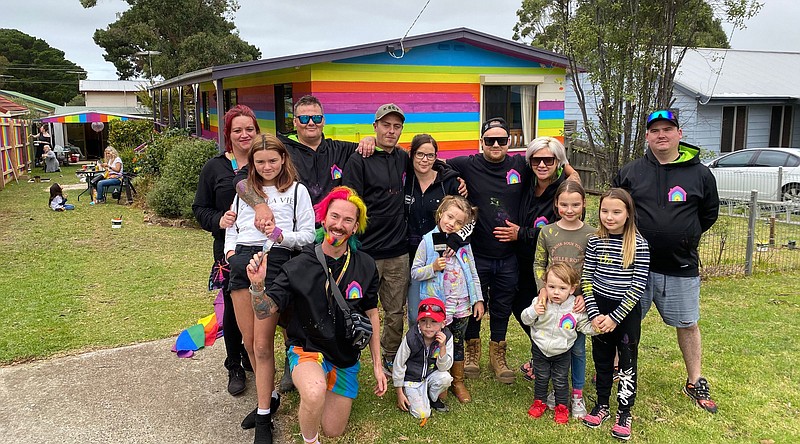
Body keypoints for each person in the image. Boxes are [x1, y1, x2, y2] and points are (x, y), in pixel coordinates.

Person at [234, 95, 375, 391]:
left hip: (331, 234)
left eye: (317, 118)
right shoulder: (285, 149)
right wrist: (259, 205)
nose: (311, 123)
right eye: (304, 118)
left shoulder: (339, 148)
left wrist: (369, 139)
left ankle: (328, 356)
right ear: (295, 122)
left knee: (322, 300)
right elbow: (243, 180)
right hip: (292, 244)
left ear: (324, 120)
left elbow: (378, 150)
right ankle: (294, 361)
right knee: (292, 303)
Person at [244, 186, 387, 444]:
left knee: (334, 428)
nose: (339, 225)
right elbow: (264, 311)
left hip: (345, 355)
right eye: (334, 216)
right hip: (307, 348)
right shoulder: (298, 264)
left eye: (347, 220)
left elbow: (372, 312)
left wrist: (377, 364)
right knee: (313, 391)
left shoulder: (365, 264)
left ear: (355, 227)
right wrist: (257, 286)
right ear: (323, 218)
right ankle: (311, 438)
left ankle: (325, 383)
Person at [447, 119, 579, 384]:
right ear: (481, 142)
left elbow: (551, 158)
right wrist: (457, 181)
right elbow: (439, 164)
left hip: (510, 256)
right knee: (475, 302)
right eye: (490, 140)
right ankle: (472, 350)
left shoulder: (522, 165)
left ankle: (498, 353)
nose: (496, 145)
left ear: (510, 143)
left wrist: (570, 172)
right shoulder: (468, 164)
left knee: (503, 305)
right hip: (478, 252)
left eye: (502, 140)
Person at [613, 109, 720, 414]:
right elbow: (616, 209)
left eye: (667, 129)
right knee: (625, 320)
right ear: (647, 136)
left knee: (687, 324)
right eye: (655, 130)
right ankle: (618, 369)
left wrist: (684, 235)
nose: (661, 135)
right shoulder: (631, 172)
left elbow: (708, 214)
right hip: (635, 265)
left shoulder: (700, 173)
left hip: (680, 265)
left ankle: (695, 379)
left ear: (679, 134)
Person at [224, 133, 315, 443]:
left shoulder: (297, 191)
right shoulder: (246, 191)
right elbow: (233, 229)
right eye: (260, 161)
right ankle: (270, 397)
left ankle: (264, 416)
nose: (266, 167)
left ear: (283, 159)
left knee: (263, 345)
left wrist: (278, 235)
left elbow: (307, 236)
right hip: (241, 262)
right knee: (248, 342)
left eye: (272, 160)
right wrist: (231, 253)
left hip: (274, 262)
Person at [192, 104, 258, 398]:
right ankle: (234, 364)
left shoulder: (265, 163)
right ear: (228, 134)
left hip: (262, 249)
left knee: (261, 305)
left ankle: (253, 353)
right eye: (237, 130)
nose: (244, 135)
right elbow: (199, 208)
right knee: (233, 308)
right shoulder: (215, 167)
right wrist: (218, 220)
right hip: (229, 251)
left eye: (249, 129)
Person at [342, 103, 410, 374]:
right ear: (375, 127)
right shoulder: (359, 159)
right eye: (385, 125)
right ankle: (349, 355)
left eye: (396, 126)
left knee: (395, 311)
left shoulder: (403, 157)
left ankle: (391, 355)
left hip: (398, 251)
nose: (391, 131)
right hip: (366, 251)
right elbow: (350, 202)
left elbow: (433, 162)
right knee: (356, 307)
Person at [581, 188, 650, 441]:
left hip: (626, 313)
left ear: (628, 213)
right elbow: (587, 277)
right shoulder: (595, 241)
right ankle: (601, 404)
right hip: (599, 308)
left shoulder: (640, 245)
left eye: (616, 212)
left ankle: (624, 411)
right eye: (605, 211)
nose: (609, 217)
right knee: (601, 359)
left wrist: (615, 318)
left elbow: (637, 287)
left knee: (627, 362)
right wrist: (594, 312)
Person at [410, 195, 484, 403]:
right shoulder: (427, 241)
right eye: (450, 217)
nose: (452, 224)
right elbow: (415, 273)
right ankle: (434, 378)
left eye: (459, 222)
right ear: (441, 214)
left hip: (461, 305)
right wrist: (432, 268)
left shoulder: (464, 245)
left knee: (458, 341)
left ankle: (457, 381)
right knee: (436, 341)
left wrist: (477, 299)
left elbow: (473, 271)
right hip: (437, 307)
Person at [531, 180, 595, 418]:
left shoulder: (592, 233)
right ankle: (556, 392)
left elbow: (594, 268)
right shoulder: (548, 232)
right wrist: (543, 290)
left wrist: (583, 295)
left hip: (576, 302)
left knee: (577, 349)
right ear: (556, 204)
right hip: (551, 299)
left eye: (575, 205)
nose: (570, 210)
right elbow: (539, 262)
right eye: (564, 204)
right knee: (551, 344)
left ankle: (576, 394)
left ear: (583, 204)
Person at [522, 263, 595, 424]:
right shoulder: (540, 301)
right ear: (545, 285)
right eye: (551, 286)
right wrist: (534, 311)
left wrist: (597, 327)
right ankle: (539, 403)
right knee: (541, 377)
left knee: (560, 379)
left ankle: (561, 407)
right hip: (540, 349)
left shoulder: (575, 306)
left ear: (571, 288)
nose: (556, 292)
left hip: (562, 351)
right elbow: (525, 319)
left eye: (562, 288)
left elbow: (583, 326)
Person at [404, 134, 462, 327]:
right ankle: (417, 352)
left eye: (430, 155)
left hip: (441, 255)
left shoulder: (449, 183)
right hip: (410, 253)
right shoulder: (404, 180)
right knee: (414, 314)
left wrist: (456, 240)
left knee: (440, 311)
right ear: (412, 155)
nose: (424, 160)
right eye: (420, 154)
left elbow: (467, 219)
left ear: (436, 157)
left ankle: (442, 354)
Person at [392, 298, 454, 418]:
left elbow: (444, 367)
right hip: (412, 379)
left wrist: (442, 348)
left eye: (434, 321)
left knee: (446, 378)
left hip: (431, 374)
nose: (428, 326)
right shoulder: (411, 337)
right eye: (423, 320)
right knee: (422, 414)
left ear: (443, 323)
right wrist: (399, 392)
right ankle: (410, 392)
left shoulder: (447, 337)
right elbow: (398, 364)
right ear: (418, 322)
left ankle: (432, 397)